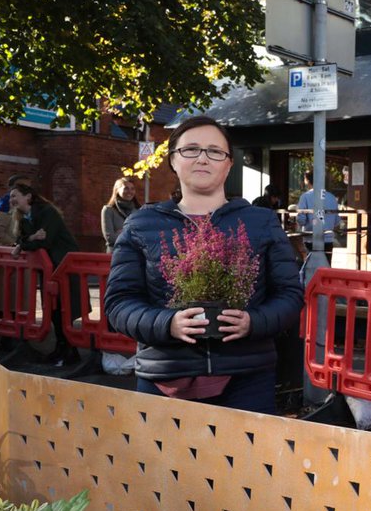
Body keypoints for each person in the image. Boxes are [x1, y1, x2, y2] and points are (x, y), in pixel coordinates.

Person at [104, 115, 303, 414]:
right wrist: (167, 323)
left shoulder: (260, 222)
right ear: (173, 160)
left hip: (247, 378)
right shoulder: (141, 224)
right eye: (191, 149)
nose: (203, 159)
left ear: (228, 163)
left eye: (215, 151)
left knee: (242, 459)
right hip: (163, 377)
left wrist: (254, 322)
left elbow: (290, 295)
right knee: (164, 460)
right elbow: (119, 303)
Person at [9, 182, 82, 365]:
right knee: (54, 309)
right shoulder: (23, 217)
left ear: (28, 197)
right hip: (48, 268)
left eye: (15, 195)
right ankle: (61, 347)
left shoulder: (47, 212)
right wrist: (31, 238)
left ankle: (71, 350)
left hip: (63, 266)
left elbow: (46, 241)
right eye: (11, 197)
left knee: (65, 308)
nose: (12, 200)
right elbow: (19, 239)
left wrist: (23, 244)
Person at [296, 171, 340, 259]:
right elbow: (336, 222)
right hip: (328, 238)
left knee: (310, 269)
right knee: (325, 268)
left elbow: (301, 220)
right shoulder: (331, 197)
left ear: (307, 180)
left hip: (311, 238)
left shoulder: (305, 196)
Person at [0, 174, 30, 246]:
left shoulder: (28, 202)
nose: (25, 188)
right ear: (11, 187)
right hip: (5, 251)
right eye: (21, 185)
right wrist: (14, 243)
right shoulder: (5, 203)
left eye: (28, 186)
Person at [101, 177, 140, 251]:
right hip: (115, 253)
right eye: (126, 188)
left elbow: (142, 235)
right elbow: (111, 238)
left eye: (132, 189)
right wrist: (131, 232)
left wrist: (122, 232)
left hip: (134, 255)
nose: (130, 191)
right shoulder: (108, 210)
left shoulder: (138, 211)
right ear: (117, 190)